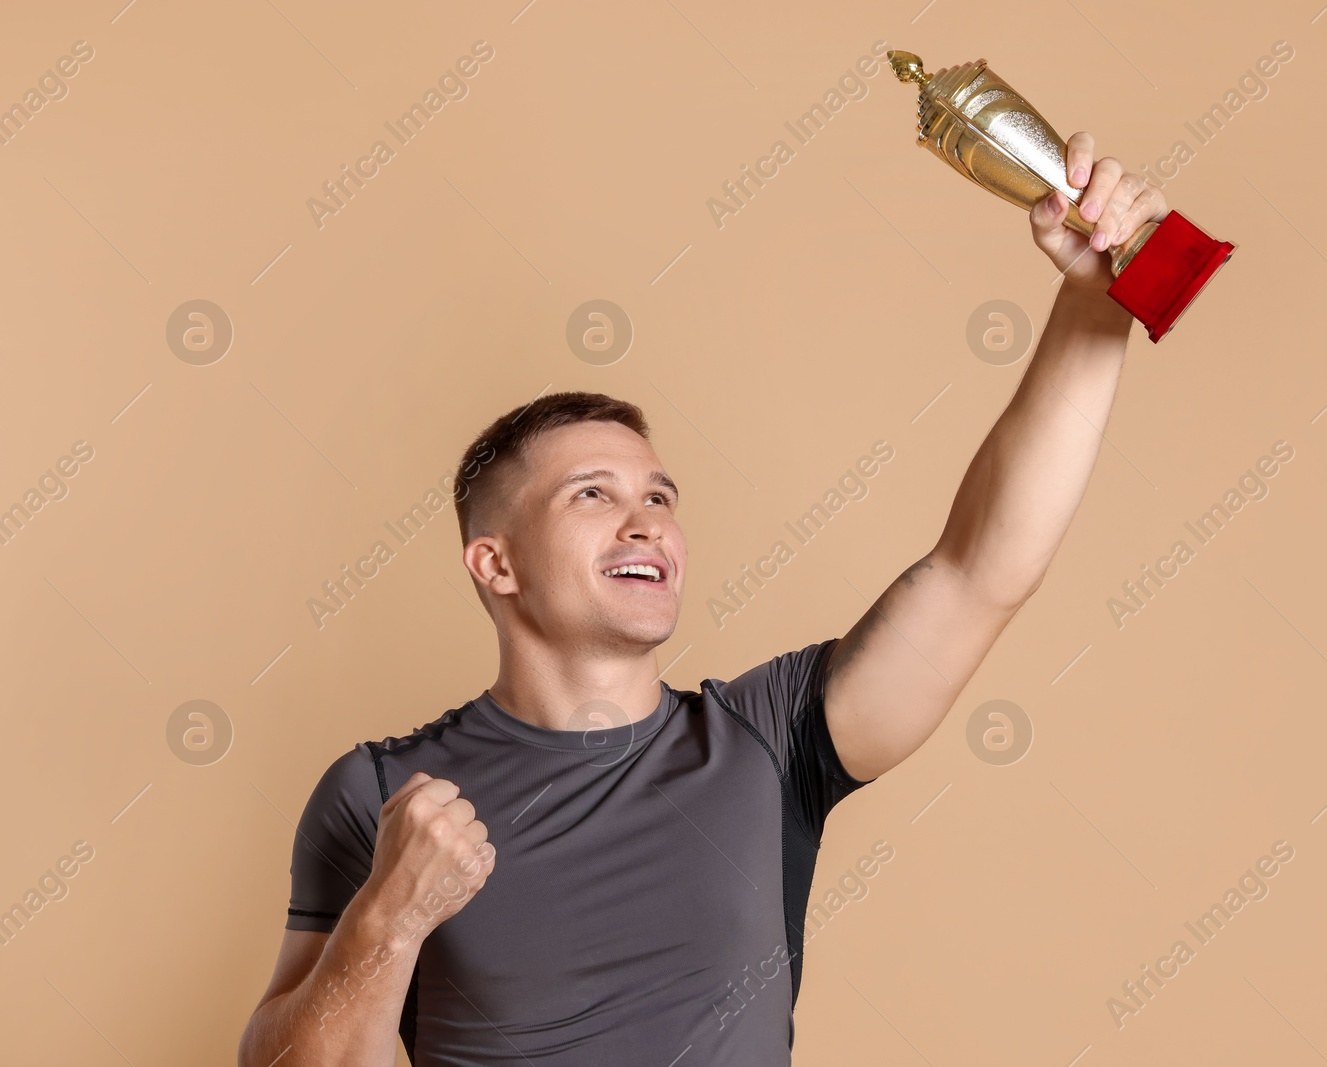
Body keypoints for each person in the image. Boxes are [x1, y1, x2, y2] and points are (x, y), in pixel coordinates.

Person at [237, 132, 1166, 1067]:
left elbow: (981, 570)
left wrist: (1095, 301)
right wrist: (387, 921)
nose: (646, 522)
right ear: (496, 564)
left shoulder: (771, 739)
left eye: (660, 497)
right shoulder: (382, 793)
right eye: (593, 493)